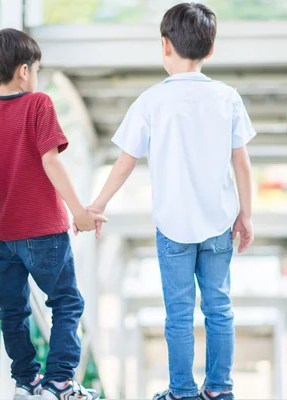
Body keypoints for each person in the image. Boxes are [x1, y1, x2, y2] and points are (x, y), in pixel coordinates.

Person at [88, 3, 256, 400]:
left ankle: (182, 390)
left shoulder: (151, 101)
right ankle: (219, 389)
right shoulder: (227, 97)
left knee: (179, 315)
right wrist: (246, 215)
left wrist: (97, 205)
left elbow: (124, 163)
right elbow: (243, 165)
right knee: (219, 308)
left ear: (165, 46)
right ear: (210, 50)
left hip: (173, 228)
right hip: (218, 223)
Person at [0, 28, 104, 400]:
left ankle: (26, 381)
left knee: (13, 309)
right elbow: (50, 162)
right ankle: (58, 381)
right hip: (44, 230)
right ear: (25, 71)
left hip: (4, 232)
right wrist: (81, 212)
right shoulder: (38, 103)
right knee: (66, 302)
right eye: (37, 69)